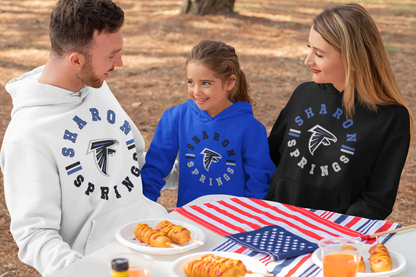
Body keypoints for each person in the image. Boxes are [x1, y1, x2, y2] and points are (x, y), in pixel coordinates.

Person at [0, 0, 168, 275]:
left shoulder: (96, 87)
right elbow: (35, 237)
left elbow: (133, 162)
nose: (120, 63)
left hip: (158, 239)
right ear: (76, 60)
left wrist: (182, 165)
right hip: (105, 266)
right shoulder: (28, 137)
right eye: (112, 55)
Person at [265, 3, 413, 220]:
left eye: (319, 54)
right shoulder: (303, 93)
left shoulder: (391, 118)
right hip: (275, 218)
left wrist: (335, 233)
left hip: (334, 238)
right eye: (310, 49)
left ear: (353, 60)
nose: (308, 61)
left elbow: (377, 200)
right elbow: (270, 158)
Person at [141, 40, 276, 207]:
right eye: (190, 82)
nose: (196, 91)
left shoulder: (251, 129)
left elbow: (258, 184)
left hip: (234, 221)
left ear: (229, 83)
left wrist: (251, 221)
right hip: (189, 220)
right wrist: (145, 207)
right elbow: (154, 169)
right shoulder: (175, 118)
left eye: (205, 83)